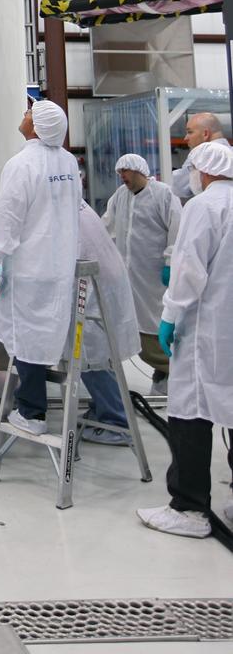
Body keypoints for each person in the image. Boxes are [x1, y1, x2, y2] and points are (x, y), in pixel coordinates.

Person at [137, 141, 233, 538]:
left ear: (205, 172)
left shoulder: (204, 207)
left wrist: (170, 315)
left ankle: (190, 508)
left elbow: (190, 271)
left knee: (191, 414)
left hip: (207, 329)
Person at [0, 99, 81, 434]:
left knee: (27, 337)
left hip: (29, 268)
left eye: (28, 114)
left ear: (35, 126)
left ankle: (32, 412)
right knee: (44, 333)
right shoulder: (67, 161)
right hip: (60, 264)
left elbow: (9, 219)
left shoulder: (22, 164)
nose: (23, 116)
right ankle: (33, 406)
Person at [103, 153, 181, 393]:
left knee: (157, 324)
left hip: (155, 277)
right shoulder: (120, 197)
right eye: (119, 173)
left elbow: (177, 229)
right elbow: (106, 225)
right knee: (133, 324)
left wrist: (170, 261)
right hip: (129, 275)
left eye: (125, 171)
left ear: (139, 171)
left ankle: (172, 374)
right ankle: (163, 377)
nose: (122, 176)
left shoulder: (163, 194)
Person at [75, 199, 141, 445]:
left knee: (90, 352)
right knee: (96, 353)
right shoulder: (78, 206)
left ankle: (116, 424)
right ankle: (106, 409)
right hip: (103, 281)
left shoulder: (62, 211)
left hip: (95, 287)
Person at [171, 111, 231, 203]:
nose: (186, 138)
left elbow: (179, 186)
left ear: (205, 134)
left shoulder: (202, 156)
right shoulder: (229, 152)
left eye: (190, 132)